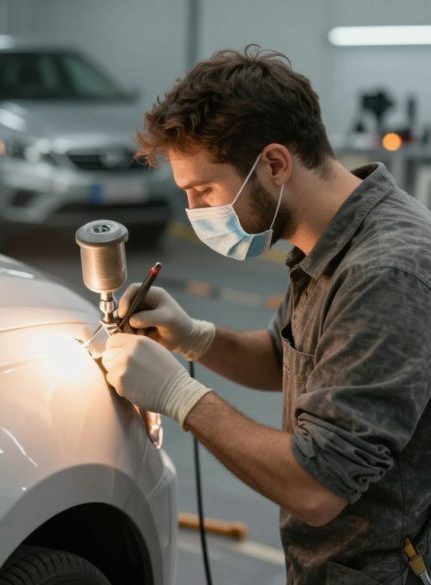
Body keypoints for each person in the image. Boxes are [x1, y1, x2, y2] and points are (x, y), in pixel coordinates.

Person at [102, 46, 431, 584]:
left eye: (204, 190)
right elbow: (288, 358)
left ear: (275, 164)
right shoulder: (324, 240)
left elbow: (317, 487)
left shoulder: (386, 271)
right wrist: (194, 337)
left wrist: (182, 398)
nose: (196, 212)